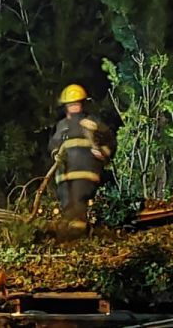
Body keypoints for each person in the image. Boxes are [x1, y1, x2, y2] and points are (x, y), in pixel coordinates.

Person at [48, 83, 115, 234]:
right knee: (66, 203)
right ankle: (66, 231)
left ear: (83, 104)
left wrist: (102, 153)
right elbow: (53, 144)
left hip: (85, 172)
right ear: (65, 106)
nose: (74, 108)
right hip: (64, 173)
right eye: (71, 105)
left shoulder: (92, 123)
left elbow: (109, 141)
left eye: (76, 104)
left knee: (79, 202)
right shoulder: (61, 126)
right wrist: (55, 154)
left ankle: (77, 236)